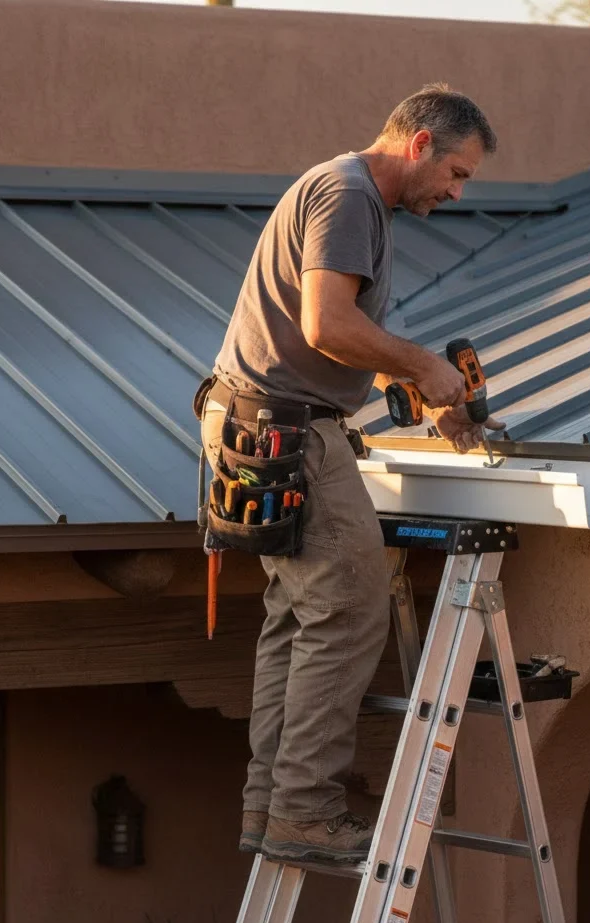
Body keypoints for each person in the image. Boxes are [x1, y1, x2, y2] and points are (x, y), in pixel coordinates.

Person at [200, 83, 501, 865]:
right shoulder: (350, 194)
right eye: (459, 173)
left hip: (253, 425)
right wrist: (422, 364)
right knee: (349, 610)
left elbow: (339, 339)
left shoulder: (344, 191)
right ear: (421, 143)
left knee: (297, 619)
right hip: (290, 431)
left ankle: (270, 805)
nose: (457, 192)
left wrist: (423, 389)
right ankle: (306, 811)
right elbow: (327, 325)